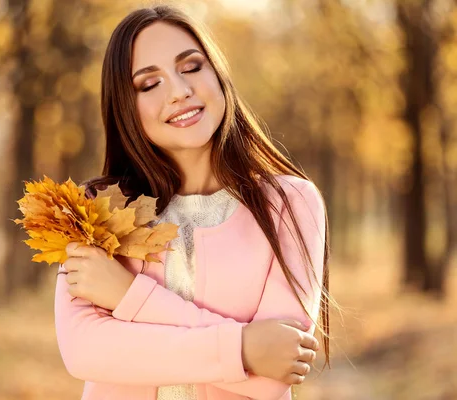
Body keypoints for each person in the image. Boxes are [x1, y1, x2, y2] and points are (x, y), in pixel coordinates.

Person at [54, 5, 332, 400]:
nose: (180, 91)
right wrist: (244, 349)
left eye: (192, 67)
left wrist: (129, 298)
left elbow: (274, 374)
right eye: (149, 85)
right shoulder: (95, 210)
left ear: (218, 74)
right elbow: (84, 351)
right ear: (125, 108)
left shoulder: (291, 204)